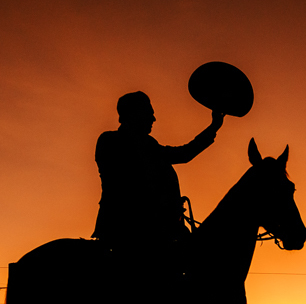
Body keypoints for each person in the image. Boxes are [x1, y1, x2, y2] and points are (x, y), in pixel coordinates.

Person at [92, 90, 225, 252]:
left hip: (156, 228)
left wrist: (213, 127)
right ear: (134, 114)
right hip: (132, 231)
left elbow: (183, 154)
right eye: (148, 113)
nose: (153, 119)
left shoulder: (147, 144)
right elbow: (137, 184)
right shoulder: (112, 141)